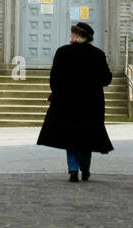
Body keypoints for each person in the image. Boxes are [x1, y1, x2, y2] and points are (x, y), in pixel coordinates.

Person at [36, 21, 114, 182]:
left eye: (73, 33)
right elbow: (106, 79)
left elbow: (54, 78)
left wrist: (57, 93)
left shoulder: (62, 52)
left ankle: (73, 169)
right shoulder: (98, 54)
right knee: (86, 137)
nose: (71, 35)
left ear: (79, 36)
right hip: (91, 104)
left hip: (67, 103)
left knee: (70, 136)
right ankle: (85, 170)